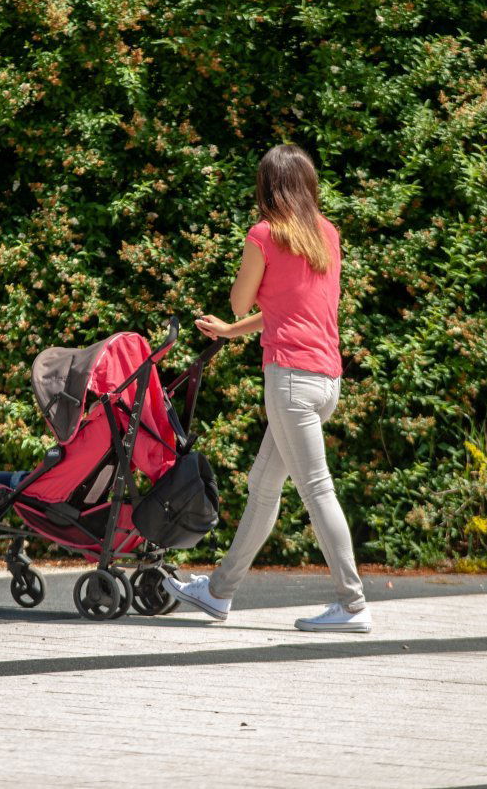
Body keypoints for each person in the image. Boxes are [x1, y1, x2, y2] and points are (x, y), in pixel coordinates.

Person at [164, 144, 371, 633]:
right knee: (263, 486)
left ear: (267, 187)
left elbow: (240, 300)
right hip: (326, 379)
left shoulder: (264, 235)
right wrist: (233, 333)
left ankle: (354, 603)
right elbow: (295, 309)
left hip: (291, 380)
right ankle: (219, 592)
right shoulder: (326, 234)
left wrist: (239, 307)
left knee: (316, 488)